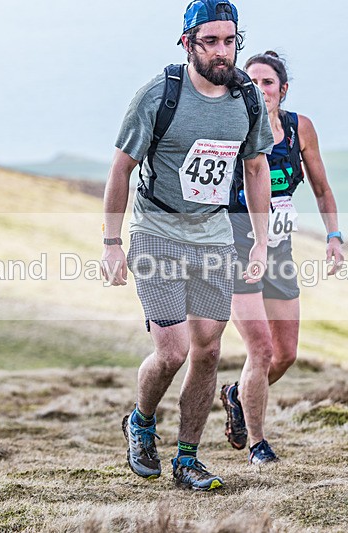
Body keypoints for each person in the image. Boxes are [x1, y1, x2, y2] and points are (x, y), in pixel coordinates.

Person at [101, 0, 273, 491]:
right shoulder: (159, 95)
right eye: (211, 41)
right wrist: (112, 243)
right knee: (173, 352)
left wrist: (260, 243)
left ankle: (187, 458)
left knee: (209, 349)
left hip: (214, 237)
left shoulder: (246, 98)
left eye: (230, 40)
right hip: (156, 232)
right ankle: (141, 419)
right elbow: (121, 169)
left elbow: (256, 167)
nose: (223, 52)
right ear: (187, 43)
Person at [220, 52, 344, 464]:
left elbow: (322, 189)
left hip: (280, 250)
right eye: (250, 82)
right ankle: (258, 445)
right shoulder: (229, 126)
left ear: (282, 89)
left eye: (267, 82)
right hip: (237, 248)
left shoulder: (298, 129)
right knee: (260, 350)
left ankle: (239, 394)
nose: (259, 89)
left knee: (285, 353)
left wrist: (334, 236)